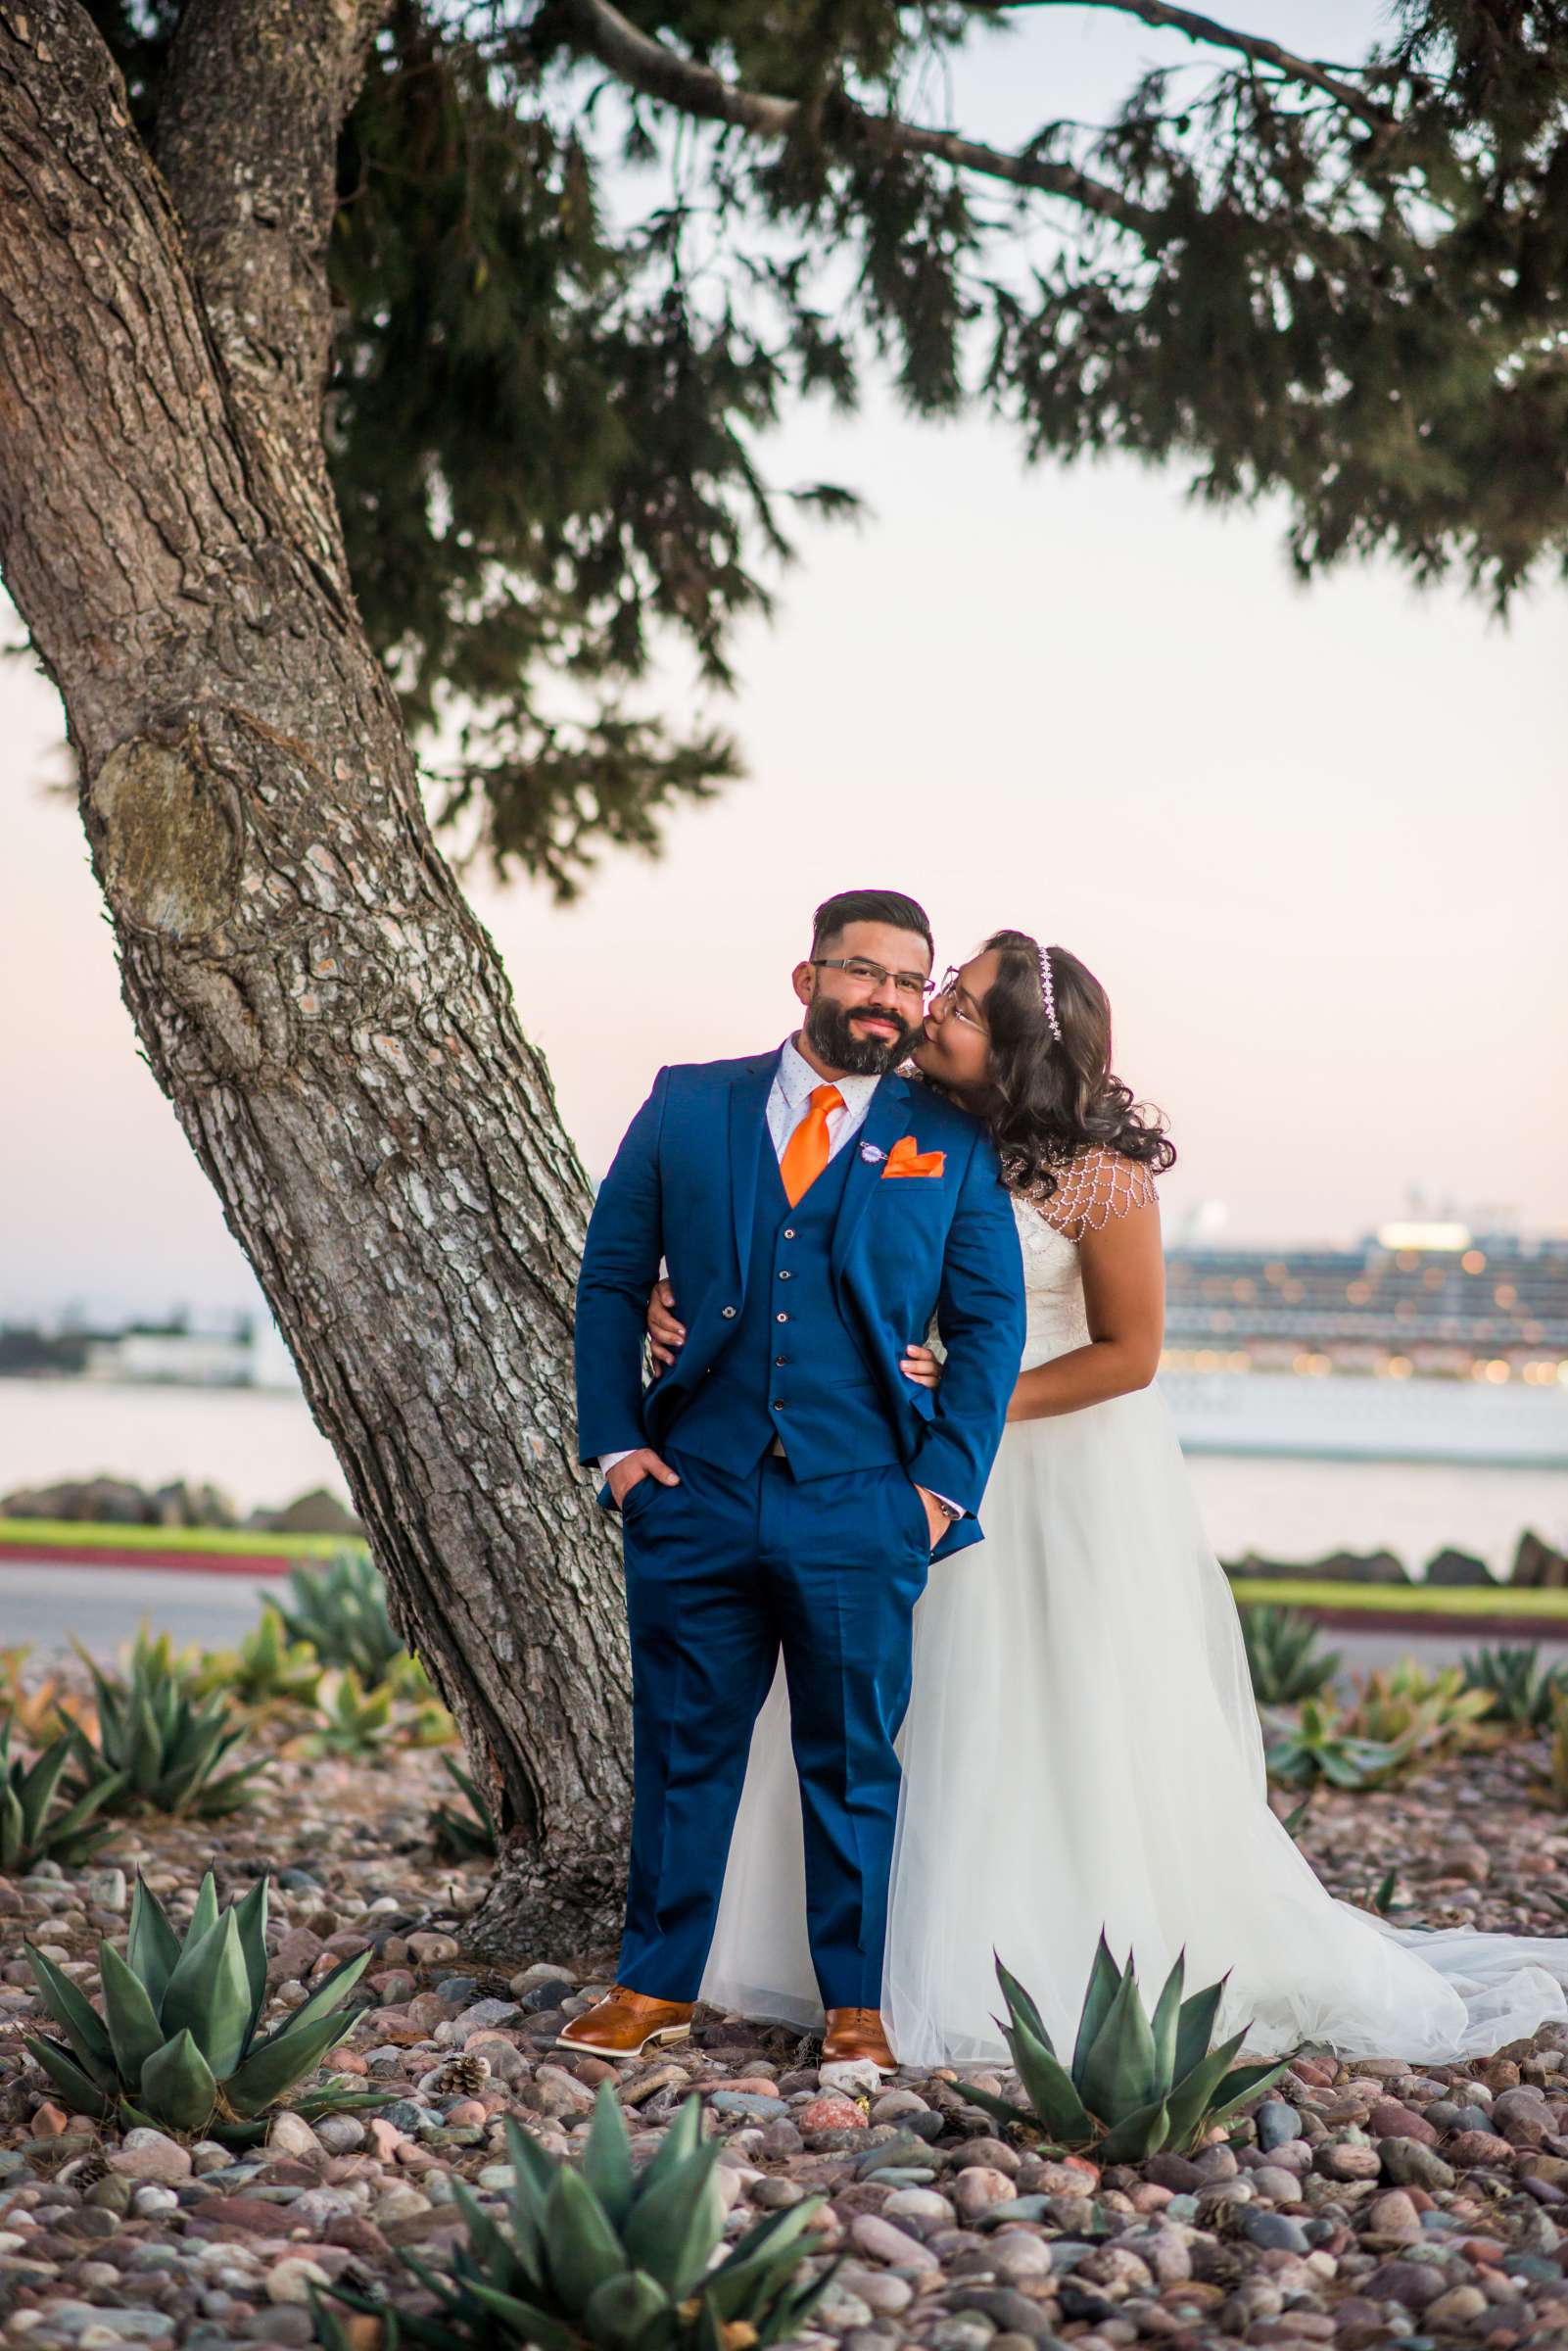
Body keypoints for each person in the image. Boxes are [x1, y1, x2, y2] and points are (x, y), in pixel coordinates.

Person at [649, 930, 1568, 2064]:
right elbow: (776, 1233)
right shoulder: (898, 1122)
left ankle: (1031, 1958)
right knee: (895, 1709)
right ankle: (852, 1965)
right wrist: (670, 1300)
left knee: (1041, 1709)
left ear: (1023, 1047)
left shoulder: (1098, 1174)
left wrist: (976, 1411)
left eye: (963, 1005)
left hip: (1047, 1468)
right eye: (940, 991)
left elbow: (1129, 1355)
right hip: (889, 1461)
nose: (931, 1012)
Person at [567, 889, 1025, 2071]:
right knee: (682, 1747)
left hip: (863, 1497)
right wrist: (618, 1451)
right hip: (695, 1489)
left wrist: (938, 1490)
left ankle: (855, 2006)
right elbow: (613, 1277)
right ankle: (651, 1985)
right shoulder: (687, 1102)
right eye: (864, 973)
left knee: (851, 1760)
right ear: (806, 976)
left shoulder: (949, 1139)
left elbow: (987, 1326)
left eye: (908, 984)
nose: (885, 1000)